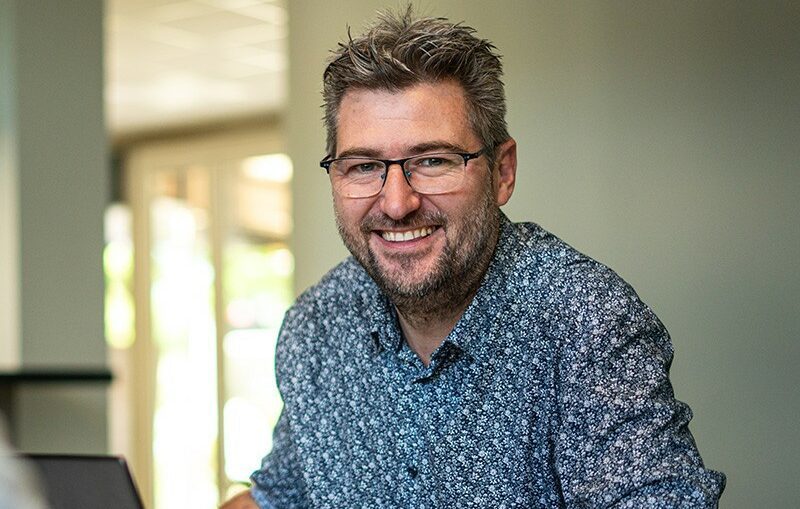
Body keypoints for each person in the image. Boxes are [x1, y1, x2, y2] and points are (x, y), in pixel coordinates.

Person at [222, 7, 725, 508]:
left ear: (502, 172)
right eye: (363, 166)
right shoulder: (316, 330)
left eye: (433, 161)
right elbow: (279, 499)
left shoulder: (584, 323)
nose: (396, 203)